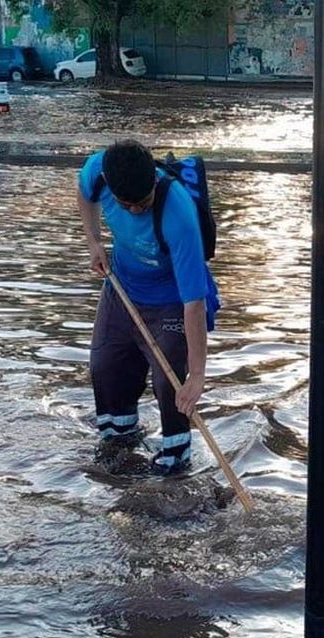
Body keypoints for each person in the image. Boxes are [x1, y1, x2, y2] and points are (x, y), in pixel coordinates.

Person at [79, 140, 220, 476]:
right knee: (104, 366)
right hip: (122, 286)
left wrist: (197, 376)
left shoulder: (179, 215)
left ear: (154, 183)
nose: (137, 211)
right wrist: (94, 241)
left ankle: (175, 458)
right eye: (128, 206)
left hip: (171, 299)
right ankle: (120, 442)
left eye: (144, 203)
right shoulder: (98, 171)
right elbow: (84, 194)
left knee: (170, 387)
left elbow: (194, 304)